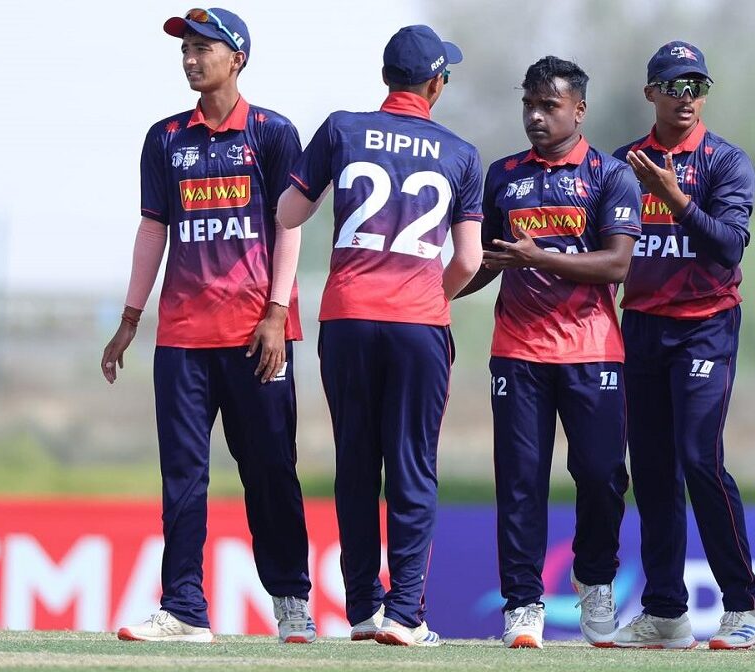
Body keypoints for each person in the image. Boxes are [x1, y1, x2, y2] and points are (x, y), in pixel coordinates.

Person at [101, 7, 315, 644]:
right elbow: (153, 230)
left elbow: (288, 225)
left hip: (257, 336)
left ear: (237, 57)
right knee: (183, 477)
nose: (191, 59)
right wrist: (129, 319)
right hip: (183, 338)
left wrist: (276, 313)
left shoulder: (273, 133)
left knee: (270, 470)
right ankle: (184, 608)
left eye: (204, 48)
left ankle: (292, 603)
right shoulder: (165, 138)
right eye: (185, 50)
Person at [277, 24, 484, 647]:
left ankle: (365, 609)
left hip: (347, 318)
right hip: (418, 323)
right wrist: (429, 296)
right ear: (436, 84)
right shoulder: (461, 152)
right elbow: (469, 261)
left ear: (387, 77)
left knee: (357, 464)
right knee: (412, 466)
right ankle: (404, 613)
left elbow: (288, 213)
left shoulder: (342, 128)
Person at [457, 56, 640, 649]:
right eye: (529, 105)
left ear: (578, 110)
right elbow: (487, 262)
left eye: (549, 106)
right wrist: (434, 297)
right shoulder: (503, 175)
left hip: (593, 351)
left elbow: (616, 265)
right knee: (520, 482)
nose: (535, 116)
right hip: (518, 351)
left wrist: (540, 257)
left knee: (602, 476)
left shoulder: (611, 175)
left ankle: (595, 581)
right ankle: (522, 603)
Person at [610, 41, 755, 650]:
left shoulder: (725, 161)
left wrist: (675, 198)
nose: (686, 98)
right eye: (674, 86)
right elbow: (605, 248)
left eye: (696, 87)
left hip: (705, 324)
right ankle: (665, 612)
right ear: (650, 92)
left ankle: (744, 603)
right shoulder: (622, 163)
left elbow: (728, 246)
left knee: (699, 458)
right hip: (641, 325)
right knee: (652, 470)